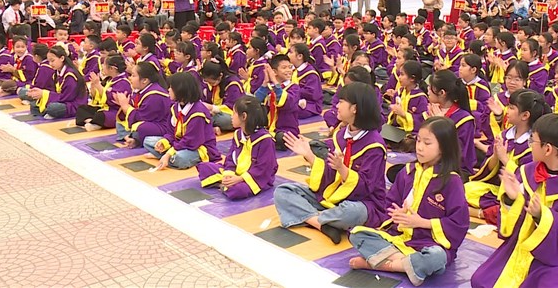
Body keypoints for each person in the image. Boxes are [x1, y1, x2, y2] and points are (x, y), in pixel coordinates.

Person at [471, 114, 558, 288]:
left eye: (533, 141)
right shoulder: (528, 170)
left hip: (556, 257)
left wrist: (541, 217)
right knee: (481, 281)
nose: (530, 146)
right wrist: (512, 199)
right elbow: (513, 226)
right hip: (521, 246)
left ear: (548, 149)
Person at [348, 116, 469, 286]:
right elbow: (389, 203)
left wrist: (422, 222)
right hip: (401, 238)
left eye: (427, 143)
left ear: (444, 147)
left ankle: (381, 264)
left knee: (436, 258)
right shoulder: (407, 171)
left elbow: (459, 224)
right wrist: (396, 214)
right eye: (418, 140)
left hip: (429, 244)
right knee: (357, 234)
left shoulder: (451, 181)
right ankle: (407, 265)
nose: (419, 147)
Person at [275, 82, 387, 244]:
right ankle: (323, 224)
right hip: (333, 197)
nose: (337, 105)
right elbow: (328, 175)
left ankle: (312, 217)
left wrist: (342, 169)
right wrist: (309, 155)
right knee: (283, 191)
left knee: (351, 212)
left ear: (354, 108)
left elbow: (366, 188)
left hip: (363, 202)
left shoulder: (374, 145)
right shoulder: (341, 135)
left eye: (342, 102)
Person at [465, 89, 549, 224]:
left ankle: (481, 213)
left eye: (511, 108)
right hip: (499, 189)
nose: (506, 111)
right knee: (467, 189)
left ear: (525, 115)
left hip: (518, 195)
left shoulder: (533, 145)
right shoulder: (505, 135)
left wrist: (505, 159)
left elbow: (526, 181)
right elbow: (489, 170)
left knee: (516, 211)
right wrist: (496, 155)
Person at [197, 95, 278, 198]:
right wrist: (228, 174)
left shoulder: (265, 139)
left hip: (255, 178)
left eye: (234, 113)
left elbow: (264, 168)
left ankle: (226, 185)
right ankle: (226, 184)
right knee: (204, 167)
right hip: (236, 172)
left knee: (237, 191)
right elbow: (230, 159)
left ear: (244, 116)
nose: (231, 115)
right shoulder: (238, 134)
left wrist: (240, 179)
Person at [143, 72, 221, 170]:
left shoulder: (197, 113)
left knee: (180, 158)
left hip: (198, 147)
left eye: (171, 88)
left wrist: (168, 153)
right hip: (179, 143)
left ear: (181, 90)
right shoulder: (175, 108)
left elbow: (191, 141)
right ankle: (168, 156)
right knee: (148, 141)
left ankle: (168, 157)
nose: (168, 90)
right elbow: (170, 132)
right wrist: (165, 142)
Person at [426, 70, 477, 177]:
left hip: (453, 169)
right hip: (429, 161)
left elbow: (458, 153)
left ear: (442, 93)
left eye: (430, 87)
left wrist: (441, 124)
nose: (427, 90)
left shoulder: (464, 119)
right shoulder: (433, 109)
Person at [113, 61, 172, 147]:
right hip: (147, 122)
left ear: (144, 80)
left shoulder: (155, 94)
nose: (130, 78)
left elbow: (142, 117)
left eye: (133, 75)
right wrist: (123, 105)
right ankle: (131, 138)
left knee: (141, 127)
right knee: (120, 123)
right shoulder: (140, 90)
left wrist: (125, 106)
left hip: (162, 126)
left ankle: (133, 138)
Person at [26, 45, 88, 119]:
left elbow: (66, 97)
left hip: (73, 105)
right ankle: (49, 112)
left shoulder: (70, 75)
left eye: (52, 61)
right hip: (62, 101)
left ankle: (50, 112)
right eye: (49, 61)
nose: (50, 64)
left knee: (53, 108)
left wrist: (44, 94)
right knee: (34, 105)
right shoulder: (56, 73)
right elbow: (53, 91)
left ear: (62, 58)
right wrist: (40, 92)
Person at [75, 55, 132, 131]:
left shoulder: (124, 82)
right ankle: (93, 122)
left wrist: (98, 85)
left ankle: (94, 122)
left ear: (112, 68)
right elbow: (98, 97)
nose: (102, 67)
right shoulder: (110, 79)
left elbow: (112, 99)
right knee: (82, 109)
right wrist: (93, 87)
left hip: (116, 111)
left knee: (101, 116)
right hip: (104, 107)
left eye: (104, 65)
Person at [201, 60, 245, 134]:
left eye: (211, 82)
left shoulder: (233, 84)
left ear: (220, 76)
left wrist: (213, 108)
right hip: (215, 112)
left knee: (225, 120)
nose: (210, 84)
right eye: (207, 82)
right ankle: (210, 127)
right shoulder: (212, 84)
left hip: (232, 114)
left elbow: (233, 106)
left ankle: (205, 126)